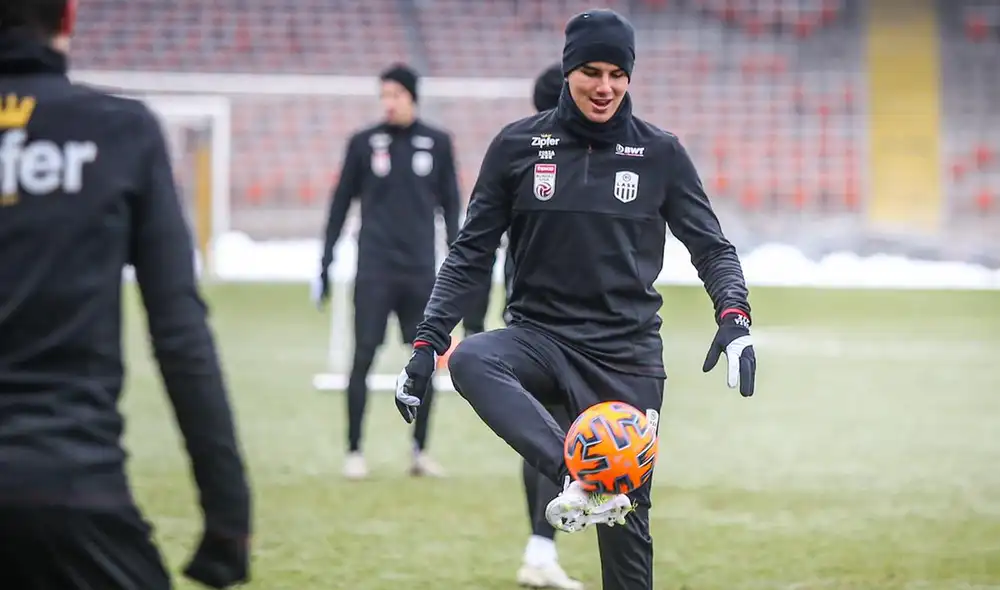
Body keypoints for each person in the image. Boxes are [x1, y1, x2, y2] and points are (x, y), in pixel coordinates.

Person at [394, 9, 756, 590]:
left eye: (618, 73)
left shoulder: (660, 153)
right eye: (591, 71)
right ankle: (578, 475)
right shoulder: (517, 147)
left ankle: (596, 490)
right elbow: (469, 252)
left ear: (630, 77)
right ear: (568, 71)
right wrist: (427, 340)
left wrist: (734, 316)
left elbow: (712, 247)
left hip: (627, 358)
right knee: (470, 359)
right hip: (540, 340)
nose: (605, 87)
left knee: (627, 541)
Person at [0, 2, 252, 589]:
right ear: (68, 16)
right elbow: (179, 332)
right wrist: (227, 514)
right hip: (71, 490)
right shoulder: (118, 131)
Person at [313, 63, 461, 480]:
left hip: (420, 272)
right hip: (374, 270)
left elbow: (450, 206)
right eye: (384, 96)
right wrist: (324, 261)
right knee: (363, 356)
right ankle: (354, 450)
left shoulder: (437, 143)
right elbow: (341, 204)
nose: (389, 103)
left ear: (412, 97)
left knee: (425, 360)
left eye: (396, 95)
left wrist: (459, 265)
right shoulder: (364, 143)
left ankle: (419, 450)